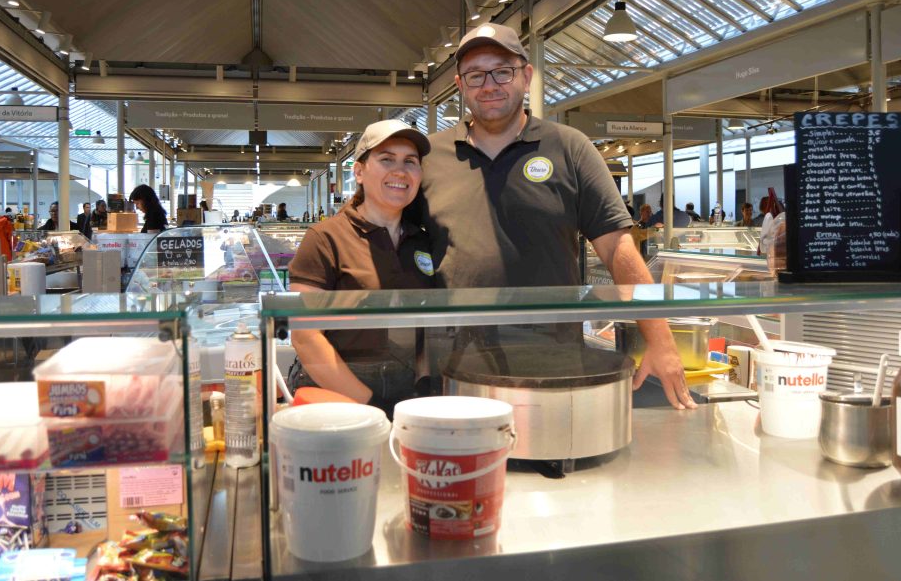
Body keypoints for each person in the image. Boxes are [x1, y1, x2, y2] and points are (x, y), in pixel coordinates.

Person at [417, 23, 694, 410]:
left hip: (551, 352)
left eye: (502, 71)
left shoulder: (569, 148)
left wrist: (660, 341)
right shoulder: (430, 155)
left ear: (526, 76)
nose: (489, 84)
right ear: (461, 86)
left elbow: (617, 249)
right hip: (454, 354)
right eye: (475, 75)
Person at [287, 120, 433, 414]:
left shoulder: (423, 242)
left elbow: (428, 327)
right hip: (335, 392)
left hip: (405, 389)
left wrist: (424, 382)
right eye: (386, 159)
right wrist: (370, 403)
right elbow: (306, 337)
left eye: (410, 162)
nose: (400, 171)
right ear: (359, 171)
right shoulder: (325, 238)